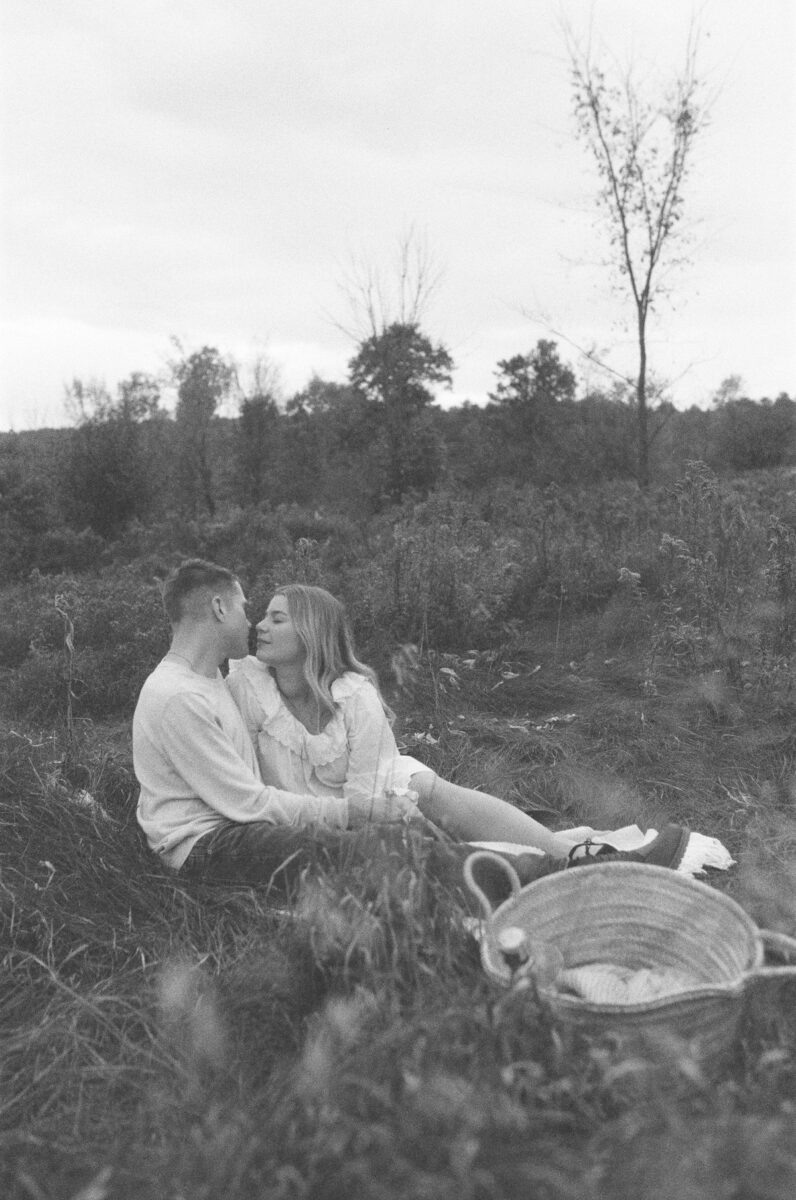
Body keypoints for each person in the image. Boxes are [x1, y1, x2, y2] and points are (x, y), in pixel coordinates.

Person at [133, 561, 688, 902]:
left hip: (252, 819)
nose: (253, 621)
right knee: (381, 849)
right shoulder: (191, 692)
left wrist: (366, 809)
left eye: (274, 616)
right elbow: (248, 803)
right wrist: (352, 816)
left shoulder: (213, 679)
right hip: (215, 842)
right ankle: (545, 880)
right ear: (217, 606)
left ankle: (564, 867)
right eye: (250, 609)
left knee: (410, 814)